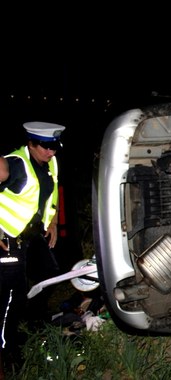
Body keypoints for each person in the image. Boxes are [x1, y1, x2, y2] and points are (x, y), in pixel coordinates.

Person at [0, 121, 65, 376]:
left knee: (50, 275)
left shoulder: (49, 162)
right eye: (47, 147)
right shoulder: (15, 164)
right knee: (9, 301)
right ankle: (7, 355)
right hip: (7, 241)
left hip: (30, 236)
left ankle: (29, 325)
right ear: (31, 143)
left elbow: (52, 190)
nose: (53, 152)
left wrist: (53, 220)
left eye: (55, 146)